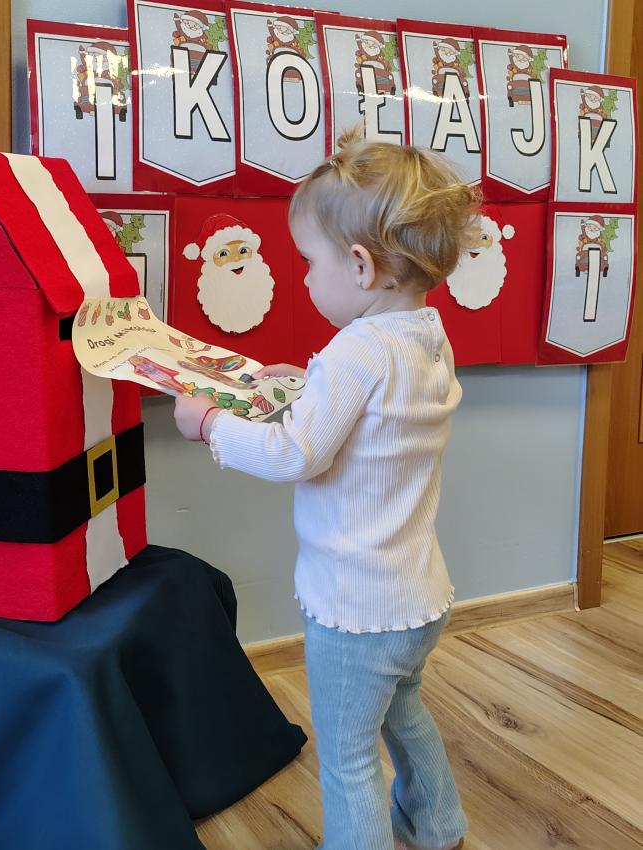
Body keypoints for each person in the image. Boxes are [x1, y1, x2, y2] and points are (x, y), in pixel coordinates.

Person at [173, 127, 476, 850]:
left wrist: (211, 424)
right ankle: (438, 825)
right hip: (415, 599)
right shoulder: (425, 336)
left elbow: (293, 454)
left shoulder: (357, 351)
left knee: (347, 758)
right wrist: (305, 380)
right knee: (403, 712)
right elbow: (376, 410)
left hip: (355, 609)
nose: (305, 278)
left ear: (362, 266)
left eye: (309, 262)